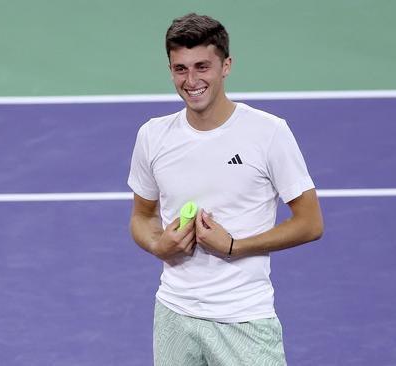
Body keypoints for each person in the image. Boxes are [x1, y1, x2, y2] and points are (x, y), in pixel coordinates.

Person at [128, 13, 323, 366]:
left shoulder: (269, 133)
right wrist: (159, 244)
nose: (191, 80)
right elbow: (141, 216)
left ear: (226, 66)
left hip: (244, 319)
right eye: (180, 69)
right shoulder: (152, 136)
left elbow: (311, 223)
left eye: (202, 66)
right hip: (174, 314)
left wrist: (235, 246)